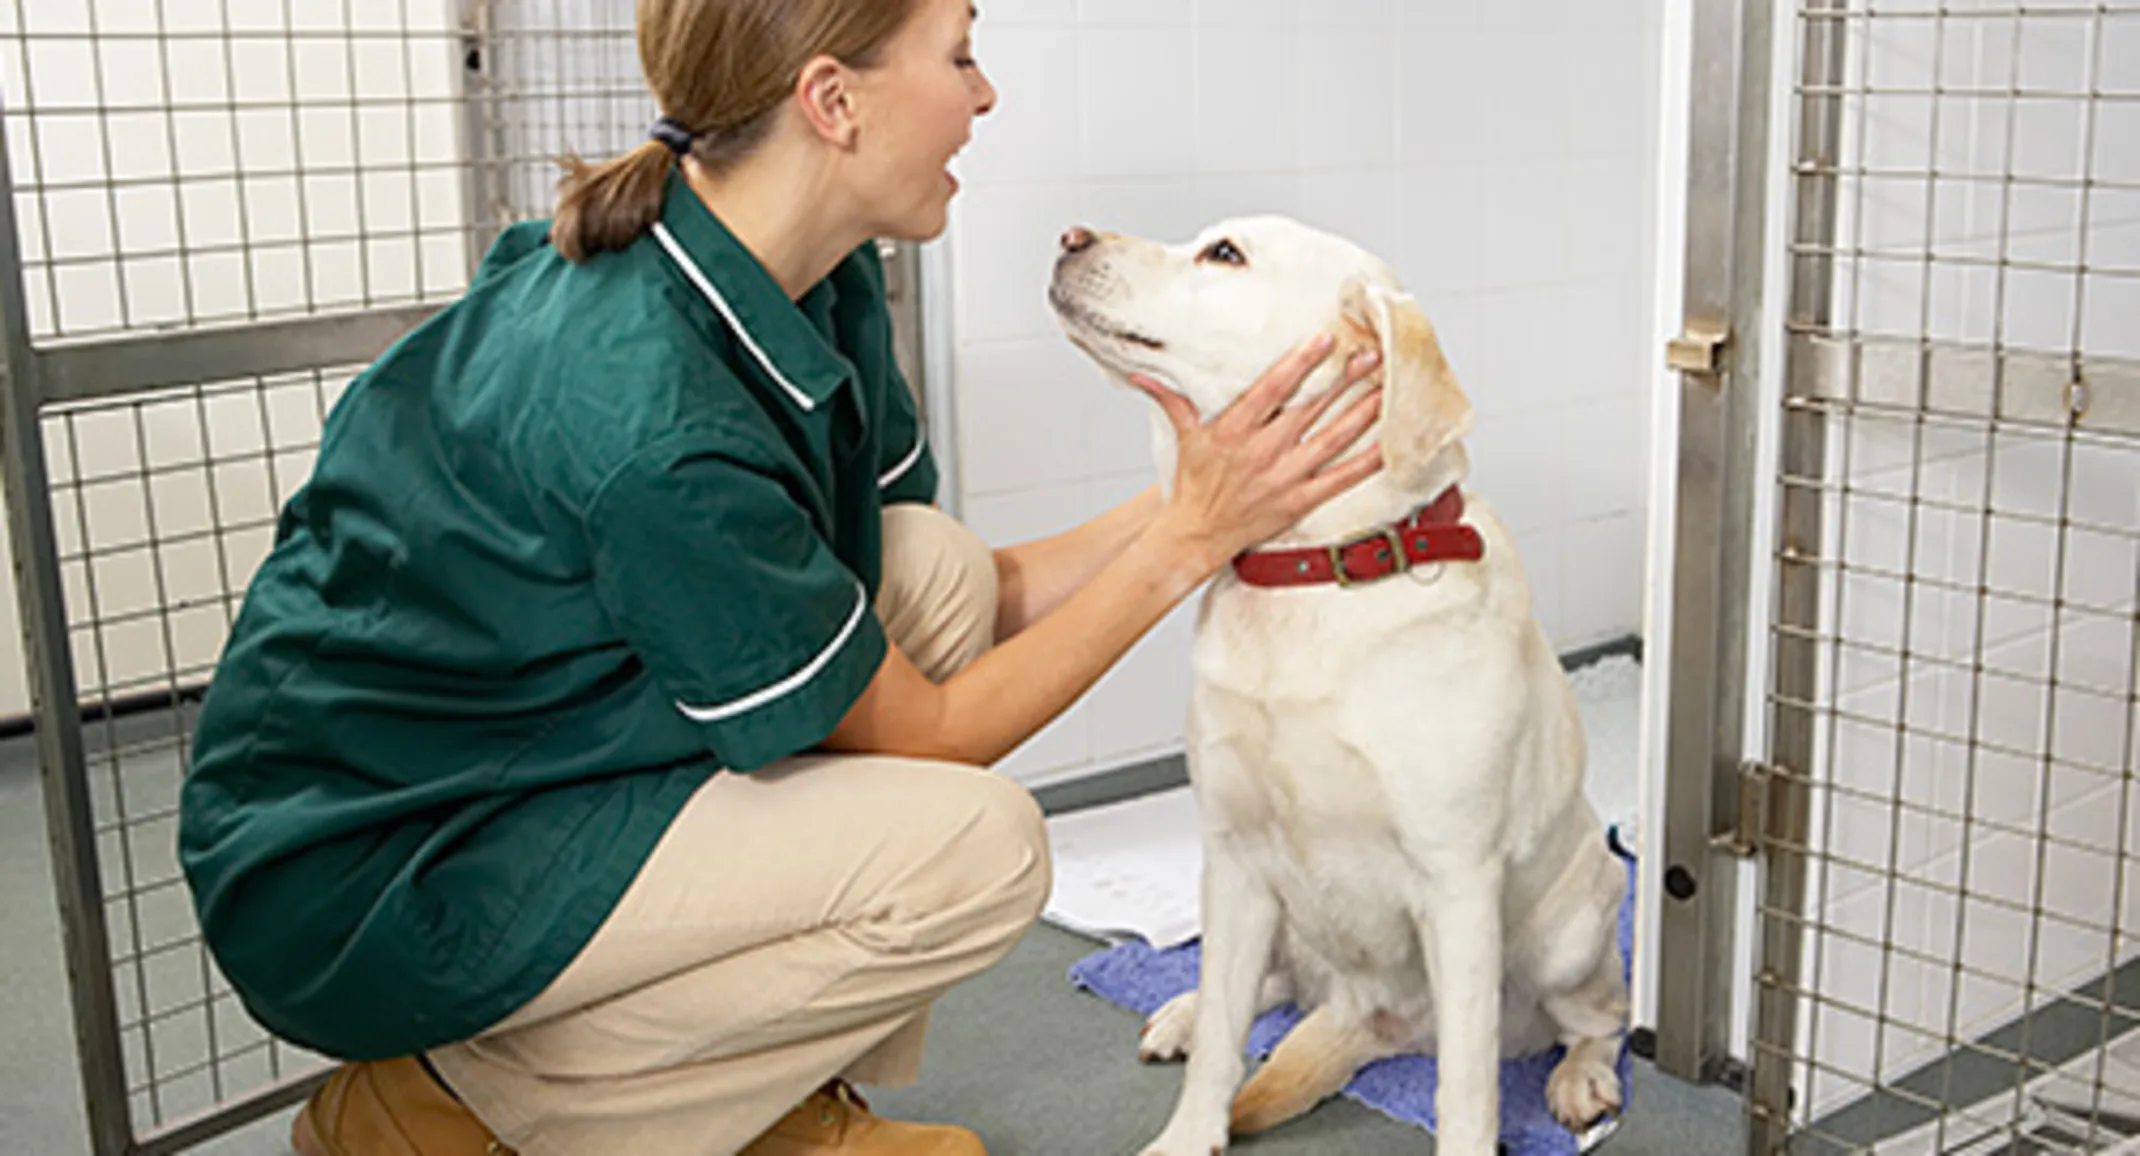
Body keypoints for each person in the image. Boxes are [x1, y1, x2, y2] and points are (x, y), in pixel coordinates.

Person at [176, 0, 1384, 1152]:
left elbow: (978, 602)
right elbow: (936, 732)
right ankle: (458, 1102)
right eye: (958, 56)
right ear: (832, 101)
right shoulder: (654, 415)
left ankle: (761, 1092)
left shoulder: (800, 270)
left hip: (531, 744)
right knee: (978, 851)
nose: (984, 96)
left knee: (932, 570)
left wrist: (1207, 496)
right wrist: (1188, 543)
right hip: (375, 867)